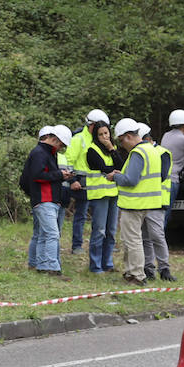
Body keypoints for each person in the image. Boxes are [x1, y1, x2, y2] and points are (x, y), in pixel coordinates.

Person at [109, 118, 163, 286]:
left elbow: (131, 180)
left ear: (128, 136)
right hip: (147, 202)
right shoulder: (152, 150)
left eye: (121, 140)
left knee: (132, 241)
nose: (121, 144)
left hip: (134, 203)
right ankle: (130, 272)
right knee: (133, 239)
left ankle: (137, 275)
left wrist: (115, 177)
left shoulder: (138, 153)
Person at [20, 126, 73, 276]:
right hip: (45, 199)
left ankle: (40, 264)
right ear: (54, 139)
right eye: (61, 144)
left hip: (47, 199)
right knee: (52, 234)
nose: (61, 148)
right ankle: (51, 267)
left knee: (43, 234)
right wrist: (59, 175)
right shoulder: (40, 153)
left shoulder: (46, 153)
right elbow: (37, 175)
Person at [57, 109, 105, 254]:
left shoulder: (99, 139)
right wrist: (72, 180)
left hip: (98, 185)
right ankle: (77, 246)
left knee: (99, 217)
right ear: (92, 125)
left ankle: (100, 244)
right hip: (81, 184)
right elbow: (69, 161)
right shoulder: (78, 139)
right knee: (81, 215)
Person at [136, 124, 175, 282]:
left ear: (146, 138)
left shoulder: (162, 153)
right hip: (143, 201)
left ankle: (164, 268)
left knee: (157, 236)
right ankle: (148, 268)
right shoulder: (140, 152)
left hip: (157, 201)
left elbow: (161, 175)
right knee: (145, 236)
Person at [82, 120, 121, 274]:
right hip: (99, 195)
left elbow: (121, 165)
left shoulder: (112, 148)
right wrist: (115, 170)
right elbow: (105, 168)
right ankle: (96, 265)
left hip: (113, 194)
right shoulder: (92, 150)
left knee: (111, 231)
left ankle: (108, 263)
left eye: (106, 133)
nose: (105, 137)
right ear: (95, 136)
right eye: (101, 134)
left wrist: (111, 149)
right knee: (99, 231)